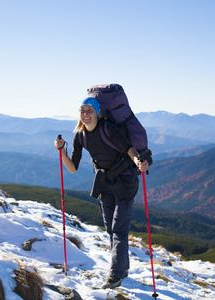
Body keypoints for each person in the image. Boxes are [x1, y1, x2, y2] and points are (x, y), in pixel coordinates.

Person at [54, 97, 151, 289]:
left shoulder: (109, 129)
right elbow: (72, 168)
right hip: (104, 184)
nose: (85, 114)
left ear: (98, 112)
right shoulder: (80, 136)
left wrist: (138, 161)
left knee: (119, 231)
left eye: (89, 110)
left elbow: (129, 148)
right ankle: (123, 268)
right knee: (110, 230)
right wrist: (62, 151)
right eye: (82, 111)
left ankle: (115, 276)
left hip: (125, 183)